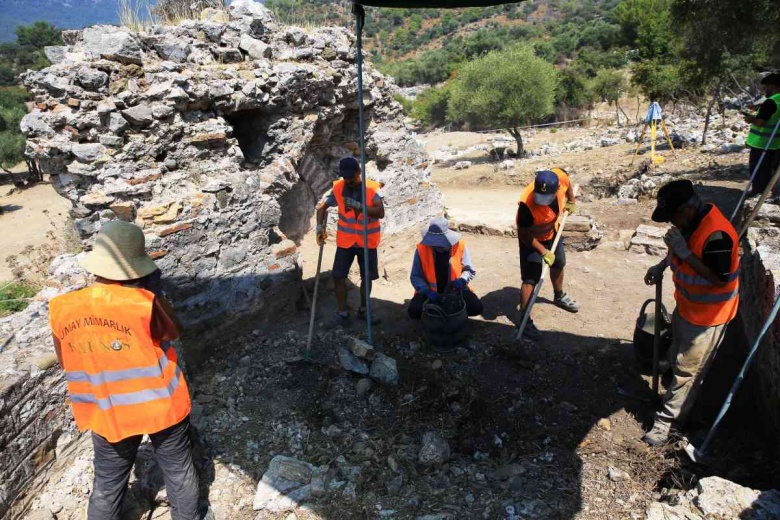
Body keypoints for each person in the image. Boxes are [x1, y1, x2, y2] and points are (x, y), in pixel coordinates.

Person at [48, 221, 200, 520]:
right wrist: (154, 295)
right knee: (178, 472)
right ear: (136, 265)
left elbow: (67, 360)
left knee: (107, 482)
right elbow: (174, 332)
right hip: (160, 405)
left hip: (107, 409)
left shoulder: (62, 307)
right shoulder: (144, 303)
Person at [643, 180, 740, 446]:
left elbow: (720, 280)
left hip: (709, 316)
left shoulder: (717, 235)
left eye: (673, 216)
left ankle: (666, 423)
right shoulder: (690, 222)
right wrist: (662, 264)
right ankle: (670, 397)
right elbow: (681, 248)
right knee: (677, 356)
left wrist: (685, 254)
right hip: (687, 307)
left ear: (687, 208)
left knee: (688, 371)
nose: (671, 223)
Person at [315, 156, 385, 327]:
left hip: (367, 242)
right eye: (345, 178)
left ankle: (364, 310)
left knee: (366, 277)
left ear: (359, 173)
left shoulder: (371, 188)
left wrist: (360, 206)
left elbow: (380, 212)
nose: (349, 181)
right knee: (338, 277)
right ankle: (343, 312)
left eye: (352, 178)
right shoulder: (338, 187)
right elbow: (322, 208)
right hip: (345, 242)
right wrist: (319, 228)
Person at [516, 168, 579, 341]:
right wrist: (543, 251)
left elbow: (569, 184)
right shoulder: (526, 206)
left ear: (556, 189)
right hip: (532, 239)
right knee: (530, 278)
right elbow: (524, 234)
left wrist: (571, 200)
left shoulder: (561, 178)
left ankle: (559, 296)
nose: (541, 202)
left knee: (559, 263)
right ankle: (524, 319)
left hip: (552, 233)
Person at [408, 217, 484, 320]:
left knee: (476, 308)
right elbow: (415, 276)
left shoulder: (460, 245)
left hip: (455, 291)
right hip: (430, 292)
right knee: (414, 311)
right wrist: (426, 291)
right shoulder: (422, 249)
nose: (439, 247)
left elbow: (469, 270)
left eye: (442, 244)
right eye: (435, 244)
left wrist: (462, 281)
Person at [744, 72, 780, 196]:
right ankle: (775, 195)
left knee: (759, 173)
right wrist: (757, 108)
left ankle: (758, 195)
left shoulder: (770, 102)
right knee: (774, 173)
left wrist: (750, 119)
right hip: (776, 144)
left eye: (766, 88)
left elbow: (760, 122)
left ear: (773, 86)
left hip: (762, 144)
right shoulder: (776, 101)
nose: (764, 91)